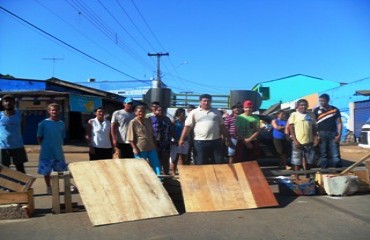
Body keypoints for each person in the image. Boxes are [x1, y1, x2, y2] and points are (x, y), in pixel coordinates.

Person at [179, 94, 230, 165]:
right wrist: (182, 139)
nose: (206, 103)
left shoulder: (216, 112)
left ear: (211, 102)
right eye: (204, 101)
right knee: (200, 163)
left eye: (208, 101)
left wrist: (228, 137)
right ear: (200, 102)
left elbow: (222, 126)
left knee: (218, 162)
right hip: (200, 142)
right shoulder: (194, 112)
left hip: (216, 141)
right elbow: (187, 127)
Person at [37, 103, 67, 194]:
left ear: (59, 111)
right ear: (49, 111)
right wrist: (44, 146)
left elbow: (62, 136)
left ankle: (56, 187)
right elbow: (39, 137)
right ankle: (49, 187)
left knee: (59, 172)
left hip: (58, 151)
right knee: (47, 172)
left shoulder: (61, 123)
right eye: (52, 110)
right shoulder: (43, 123)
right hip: (46, 152)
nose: (54, 111)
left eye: (56, 110)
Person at [127, 105, 161, 175]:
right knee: (140, 167)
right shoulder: (133, 122)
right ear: (135, 112)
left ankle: (160, 181)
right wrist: (135, 148)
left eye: (143, 111)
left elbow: (152, 135)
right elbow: (130, 138)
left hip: (151, 147)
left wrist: (155, 145)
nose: (141, 113)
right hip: (140, 148)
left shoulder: (148, 121)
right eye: (139, 111)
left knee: (157, 165)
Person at [288, 99, 318, 179]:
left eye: (305, 105)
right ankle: (297, 177)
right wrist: (295, 141)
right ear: (297, 106)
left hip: (309, 141)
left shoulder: (311, 114)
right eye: (301, 105)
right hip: (297, 142)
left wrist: (315, 138)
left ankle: (308, 176)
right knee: (296, 161)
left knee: (309, 161)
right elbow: (291, 128)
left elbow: (314, 128)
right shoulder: (294, 114)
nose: (303, 106)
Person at [0, 95, 28, 173]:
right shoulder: (0, 115)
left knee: (20, 169)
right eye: (6, 101)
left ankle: (23, 185)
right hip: (3, 147)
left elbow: (22, 127)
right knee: (4, 170)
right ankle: (4, 185)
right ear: (2, 103)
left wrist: (16, 137)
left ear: (14, 103)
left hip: (18, 145)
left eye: (10, 101)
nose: (8, 103)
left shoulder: (20, 114)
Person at [313, 93, 342, 168]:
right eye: (320, 101)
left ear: (328, 100)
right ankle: (324, 170)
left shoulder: (335, 110)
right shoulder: (316, 110)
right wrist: (316, 136)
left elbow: (339, 123)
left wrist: (339, 135)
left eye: (323, 101)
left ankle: (338, 170)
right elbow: (314, 125)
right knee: (323, 154)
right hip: (321, 134)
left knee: (335, 153)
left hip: (333, 134)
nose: (321, 103)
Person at [150, 105, 173, 175]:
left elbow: (171, 130)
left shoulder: (167, 119)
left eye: (162, 110)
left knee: (165, 159)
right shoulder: (150, 119)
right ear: (154, 111)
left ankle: (166, 175)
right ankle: (157, 175)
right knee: (156, 160)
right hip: (155, 142)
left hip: (166, 142)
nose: (161, 112)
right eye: (159, 110)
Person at [170, 108, 189, 175]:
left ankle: (182, 172)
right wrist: (177, 140)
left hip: (185, 141)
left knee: (183, 157)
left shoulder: (186, 122)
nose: (184, 114)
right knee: (175, 158)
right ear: (178, 114)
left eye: (184, 113)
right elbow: (172, 132)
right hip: (176, 142)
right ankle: (173, 172)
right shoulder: (174, 122)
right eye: (182, 113)